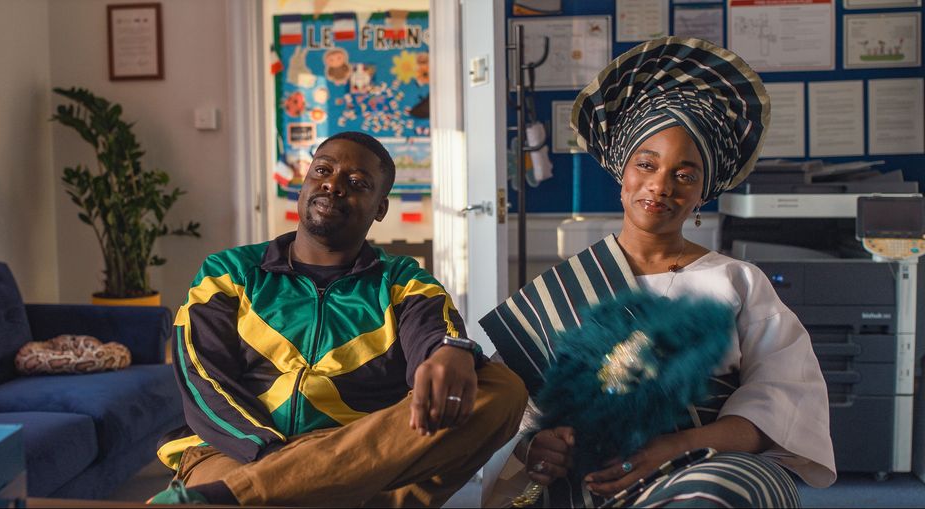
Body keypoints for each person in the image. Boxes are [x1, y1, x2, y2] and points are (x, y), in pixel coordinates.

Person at [481, 37, 835, 507]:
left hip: (708, 464)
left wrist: (674, 447)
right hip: (593, 479)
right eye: (646, 164)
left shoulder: (738, 282)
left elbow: (781, 401)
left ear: (703, 194)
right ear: (621, 173)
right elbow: (518, 416)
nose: (660, 185)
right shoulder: (557, 292)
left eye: (684, 175)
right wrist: (535, 446)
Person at [151, 131, 527, 507]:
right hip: (235, 453)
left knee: (500, 387)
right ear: (303, 184)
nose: (333, 184)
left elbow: (435, 338)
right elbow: (202, 377)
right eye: (323, 170)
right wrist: (277, 460)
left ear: (380, 207)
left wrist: (451, 350)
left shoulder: (403, 282)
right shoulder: (230, 272)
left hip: (361, 455)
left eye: (357, 182)